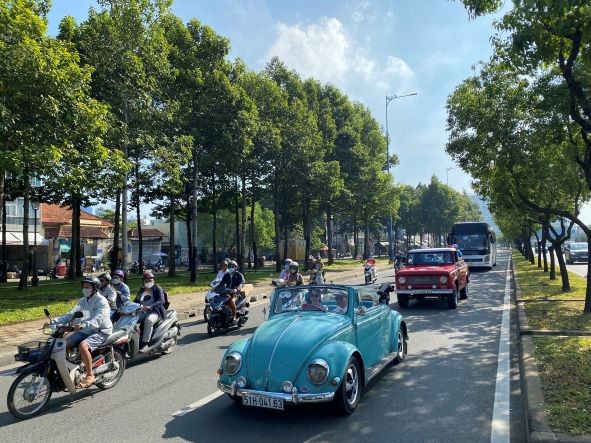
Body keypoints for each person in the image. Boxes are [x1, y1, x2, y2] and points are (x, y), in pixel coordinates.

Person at [52, 276, 112, 388]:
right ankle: (69, 368)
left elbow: (98, 319)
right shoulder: (83, 301)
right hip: (85, 330)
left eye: (88, 287)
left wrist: (84, 325)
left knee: (83, 346)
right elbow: (71, 315)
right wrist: (54, 322)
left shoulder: (102, 301)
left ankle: (90, 374)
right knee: (63, 342)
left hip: (101, 331)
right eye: (84, 287)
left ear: (95, 288)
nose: (85, 289)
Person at [134, 271, 167, 352]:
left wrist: (150, 306)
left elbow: (161, 301)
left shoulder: (157, 289)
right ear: (143, 282)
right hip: (142, 312)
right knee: (131, 320)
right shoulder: (141, 291)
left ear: (154, 281)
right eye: (147, 280)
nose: (149, 282)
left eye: (151, 280)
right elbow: (135, 301)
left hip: (155, 312)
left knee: (148, 321)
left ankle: (145, 343)